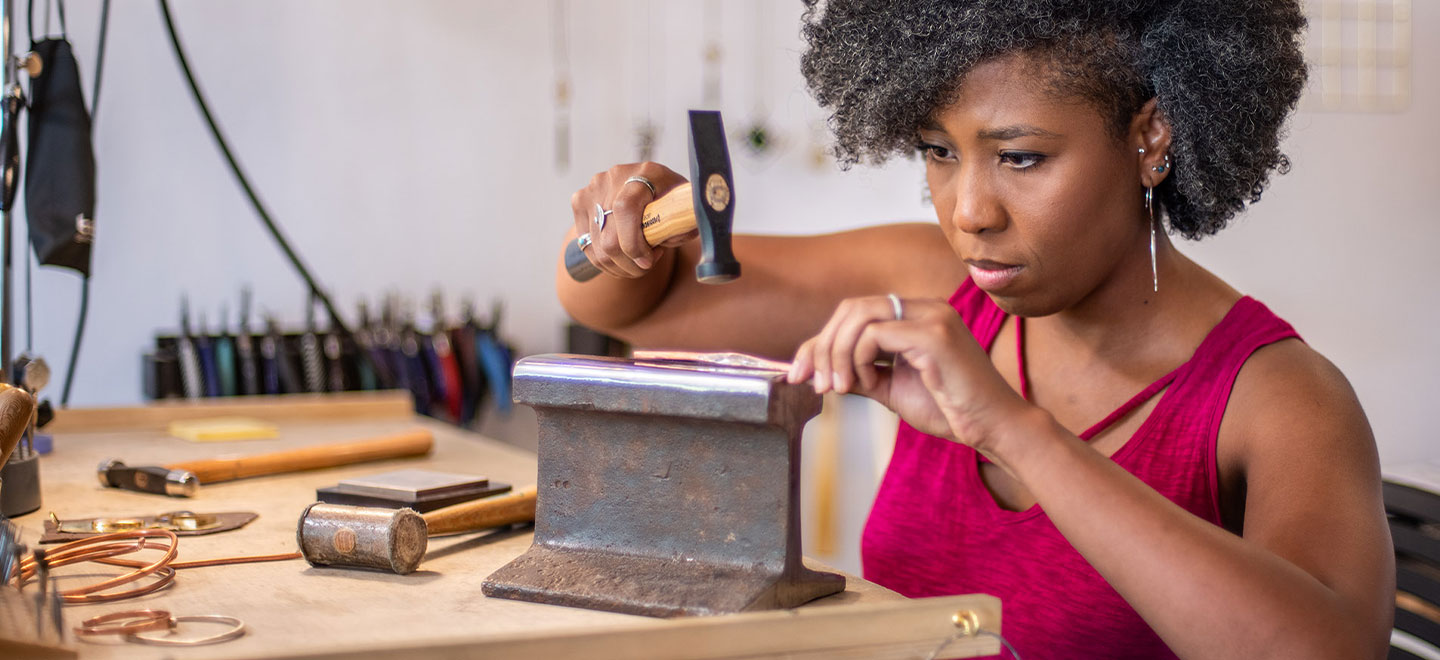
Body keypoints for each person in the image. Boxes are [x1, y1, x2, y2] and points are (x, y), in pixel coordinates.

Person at [556, 1, 1394, 657]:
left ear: (1151, 136)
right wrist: (626, 228)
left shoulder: (1274, 398)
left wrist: (1013, 429)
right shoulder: (935, 287)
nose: (969, 212)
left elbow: (1327, 650)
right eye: (940, 151)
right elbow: (636, 310)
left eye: (1021, 157)